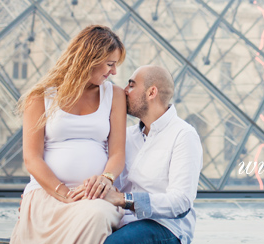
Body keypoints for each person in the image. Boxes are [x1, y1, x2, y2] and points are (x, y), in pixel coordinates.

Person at [10, 25, 127, 244]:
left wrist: (106, 179)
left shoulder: (115, 95)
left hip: (95, 197)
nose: (114, 72)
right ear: (89, 58)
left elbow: (118, 152)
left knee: (97, 214)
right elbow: (32, 158)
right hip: (47, 193)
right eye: (110, 64)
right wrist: (64, 194)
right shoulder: (39, 97)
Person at [88, 65, 203, 244]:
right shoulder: (126, 136)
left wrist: (123, 199)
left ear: (151, 92)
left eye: (131, 85)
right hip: (121, 220)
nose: (124, 91)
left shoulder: (183, 135)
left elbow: (181, 202)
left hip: (164, 226)